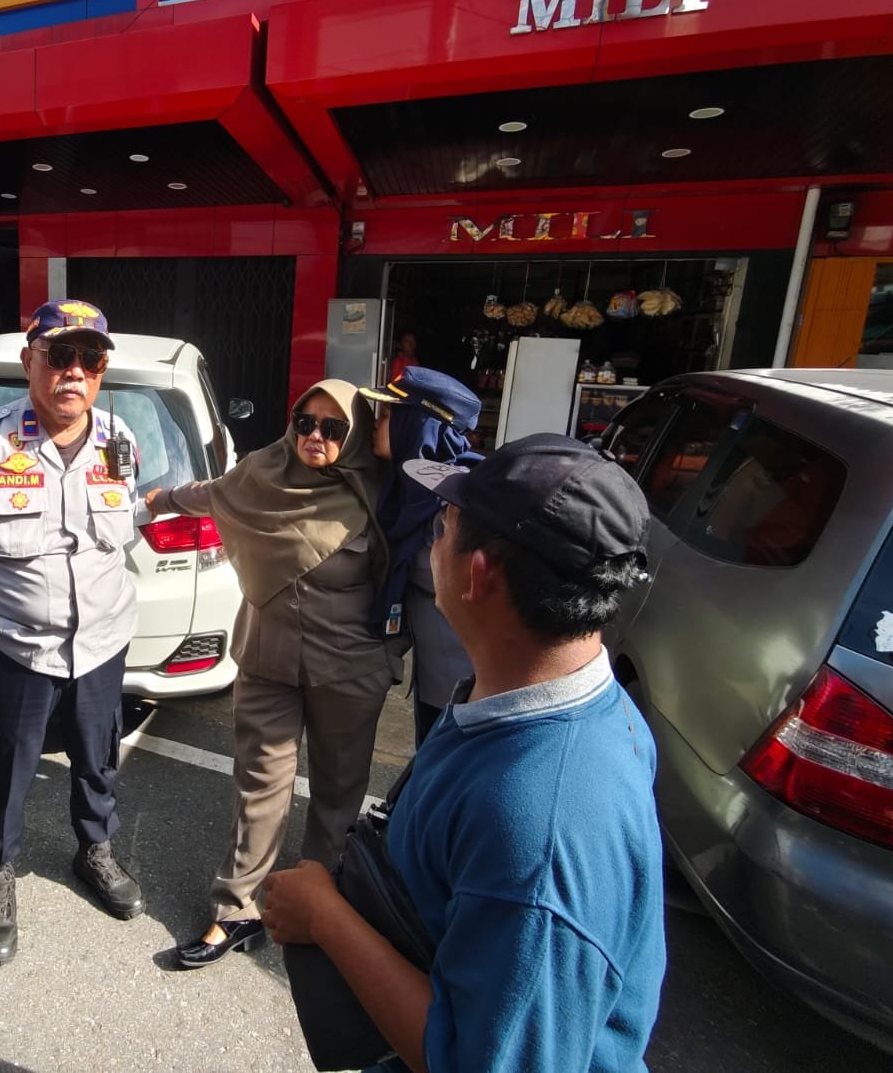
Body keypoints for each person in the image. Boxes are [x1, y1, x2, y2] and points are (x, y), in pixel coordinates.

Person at [262, 434, 663, 1072]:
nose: (433, 545)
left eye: (442, 529)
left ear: (479, 573)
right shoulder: (557, 700)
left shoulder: (541, 832)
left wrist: (324, 917)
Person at [144, 379, 396, 968]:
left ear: (356, 435)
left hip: (349, 666)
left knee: (338, 790)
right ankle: (236, 908)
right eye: (304, 422)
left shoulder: (382, 492)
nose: (314, 436)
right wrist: (160, 499)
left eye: (333, 428)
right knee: (259, 782)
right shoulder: (261, 472)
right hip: (267, 658)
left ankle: (322, 901)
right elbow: (210, 493)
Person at [0, 299, 143, 967]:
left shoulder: (119, 440)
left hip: (102, 644)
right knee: (0, 768)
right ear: (30, 362)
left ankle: (95, 849)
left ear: (101, 371)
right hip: (15, 647)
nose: (75, 371)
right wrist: (13, 595)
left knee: (98, 756)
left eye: (90, 358)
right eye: (60, 355)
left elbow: (125, 535)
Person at [362, 368, 482, 745]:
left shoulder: (459, 506)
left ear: (417, 426)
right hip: (436, 682)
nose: (376, 423)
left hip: (473, 695)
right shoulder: (411, 493)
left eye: (387, 415)